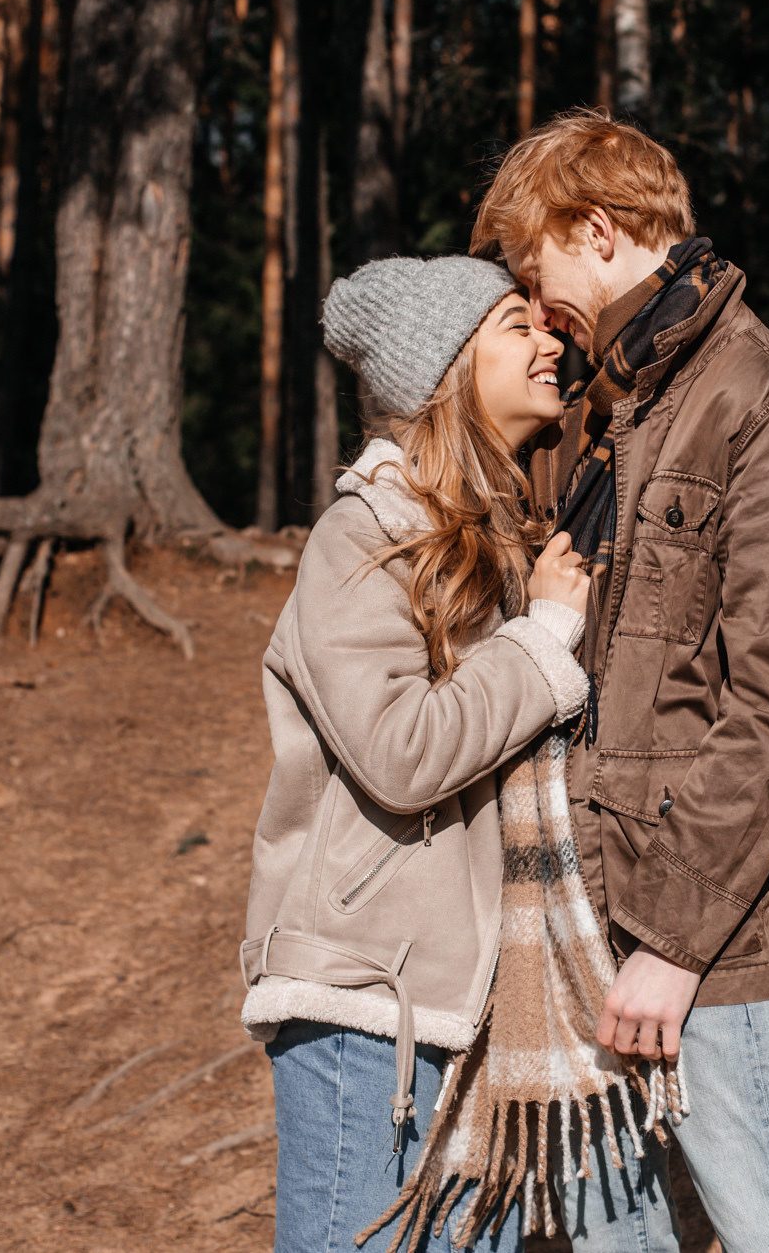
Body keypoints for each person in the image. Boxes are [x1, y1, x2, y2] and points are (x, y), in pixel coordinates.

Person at [470, 110, 769, 1253]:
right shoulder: (595, 408)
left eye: (534, 273)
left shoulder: (764, 401)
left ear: (595, 231)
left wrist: (675, 945)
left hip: (693, 935)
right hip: (564, 914)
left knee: (768, 1230)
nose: (537, 310)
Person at [237, 255, 597, 1253]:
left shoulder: (490, 541)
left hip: (468, 997)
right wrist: (541, 642)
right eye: (514, 328)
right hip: (365, 1000)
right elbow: (400, 753)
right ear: (442, 372)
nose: (551, 342)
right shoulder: (360, 539)